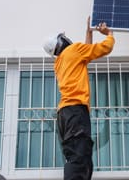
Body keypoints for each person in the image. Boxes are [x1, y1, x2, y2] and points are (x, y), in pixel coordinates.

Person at [43, 17, 115, 180]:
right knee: (79, 159)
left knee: (81, 158)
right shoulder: (74, 51)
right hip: (75, 111)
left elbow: (85, 54)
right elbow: (105, 48)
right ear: (61, 42)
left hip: (65, 114)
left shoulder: (61, 61)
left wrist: (88, 33)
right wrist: (109, 34)